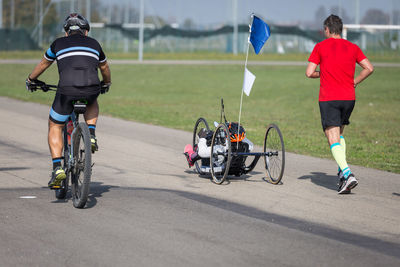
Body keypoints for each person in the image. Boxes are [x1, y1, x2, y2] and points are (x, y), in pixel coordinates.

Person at [26, 13, 111, 189]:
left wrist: (31, 79)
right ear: (85, 31)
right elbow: (104, 66)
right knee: (93, 99)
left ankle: (57, 168)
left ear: (66, 32)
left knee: (55, 125)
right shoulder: (95, 44)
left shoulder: (57, 44)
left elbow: (43, 64)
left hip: (66, 90)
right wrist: (106, 83)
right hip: (90, 88)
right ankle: (92, 135)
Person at [306, 14, 373, 194]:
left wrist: (323, 73)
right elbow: (369, 68)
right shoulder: (353, 47)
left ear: (327, 29)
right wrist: (355, 81)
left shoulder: (320, 46)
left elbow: (309, 72)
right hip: (349, 98)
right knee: (340, 134)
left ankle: (347, 173)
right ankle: (342, 175)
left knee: (332, 137)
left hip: (330, 98)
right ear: (341, 29)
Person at [184, 123, 253, 167]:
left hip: (219, 164)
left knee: (205, 144)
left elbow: (201, 152)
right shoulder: (249, 146)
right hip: (236, 165)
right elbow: (245, 140)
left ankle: (191, 157)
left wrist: (202, 139)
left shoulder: (220, 148)